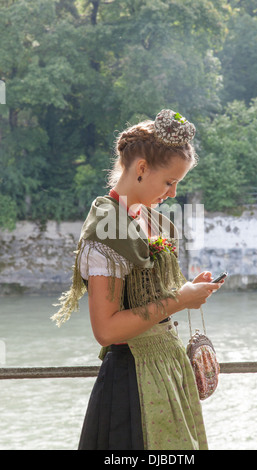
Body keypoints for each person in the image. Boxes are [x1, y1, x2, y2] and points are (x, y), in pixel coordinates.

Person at [52, 109, 223, 450]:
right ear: (142, 168)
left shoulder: (148, 218)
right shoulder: (107, 228)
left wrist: (189, 289)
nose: (173, 193)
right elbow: (107, 330)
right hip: (133, 381)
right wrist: (181, 299)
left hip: (167, 371)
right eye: (170, 182)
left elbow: (149, 296)